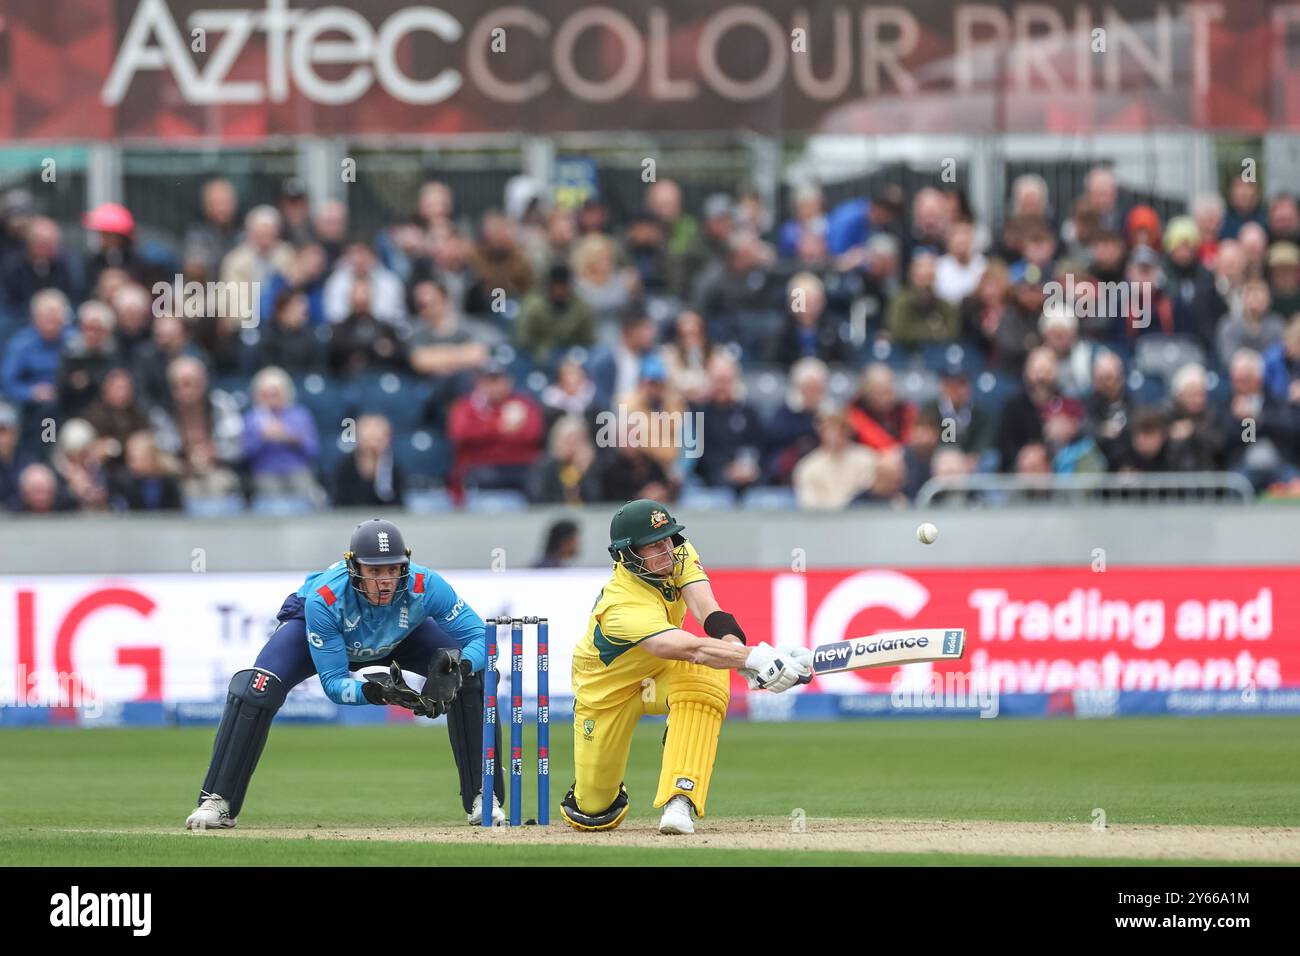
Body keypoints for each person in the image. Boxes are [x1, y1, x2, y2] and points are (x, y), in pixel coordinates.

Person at [185, 518, 503, 830]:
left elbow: (483, 640)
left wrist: (457, 670)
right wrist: (375, 693)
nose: (385, 581)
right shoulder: (325, 599)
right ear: (354, 567)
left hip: (402, 636)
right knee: (256, 687)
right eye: (374, 571)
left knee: (475, 677)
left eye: (393, 569)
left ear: (405, 565)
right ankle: (218, 800)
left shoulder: (426, 585)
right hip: (328, 635)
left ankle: (483, 797)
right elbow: (334, 684)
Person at [563, 500, 811, 835]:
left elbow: (708, 610)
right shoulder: (620, 605)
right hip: (607, 694)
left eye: (669, 538)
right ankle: (596, 791)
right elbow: (686, 647)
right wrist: (752, 658)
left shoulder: (676, 554)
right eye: (655, 545)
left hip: (662, 673)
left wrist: (741, 656)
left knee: (707, 678)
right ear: (627, 554)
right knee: (595, 812)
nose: (668, 549)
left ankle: (680, 799)